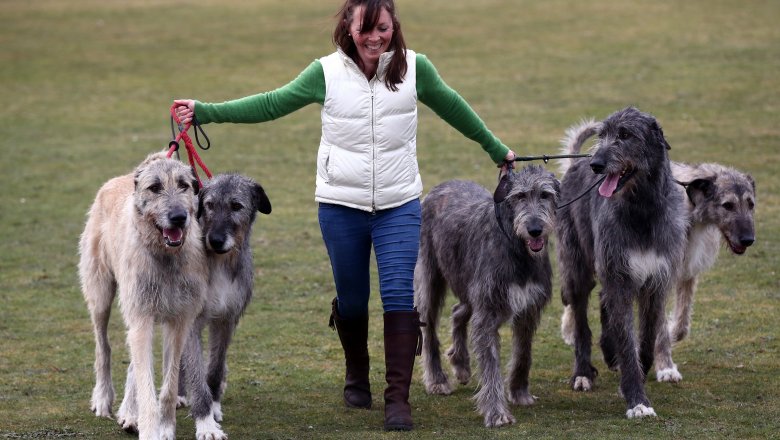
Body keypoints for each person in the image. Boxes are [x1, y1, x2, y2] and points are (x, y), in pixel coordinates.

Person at [174, 0, 516, 431]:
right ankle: (357, 373)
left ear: (395, 27)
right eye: (365, 29)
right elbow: (271, 103)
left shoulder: (415, 68)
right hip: (340, 207)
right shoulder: (326, 72)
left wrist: (495, 148)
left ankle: (398, 399)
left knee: (398, 299)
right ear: (348, 29)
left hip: (399, 205)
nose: (375, 38)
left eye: (384, 29)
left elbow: (453, 106)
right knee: (352, 302)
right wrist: (206, 111)